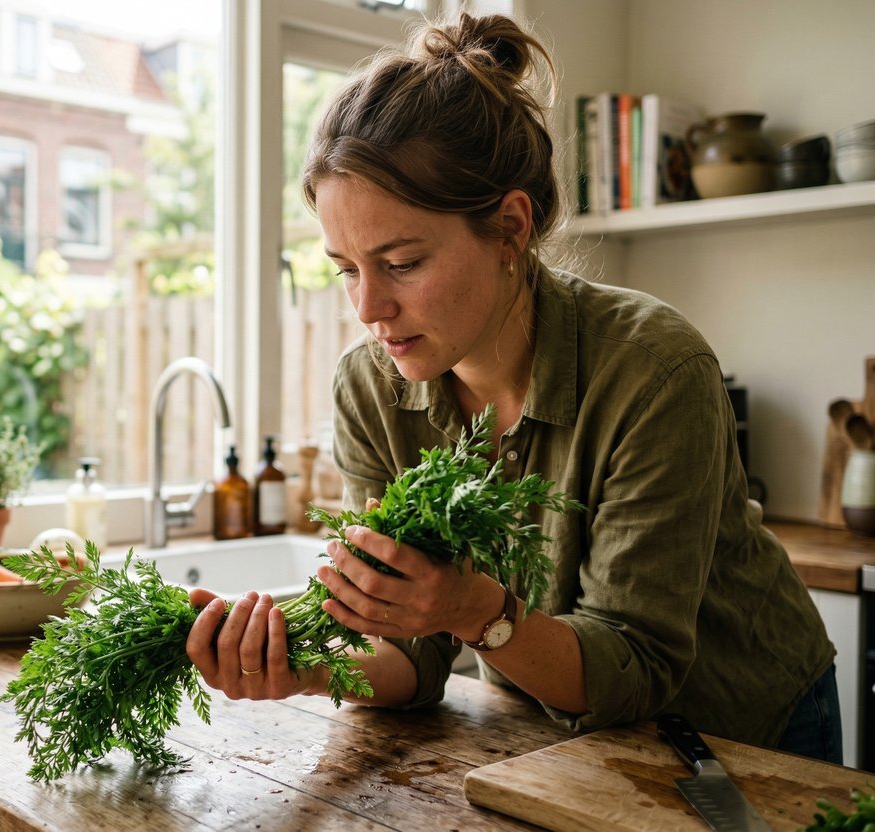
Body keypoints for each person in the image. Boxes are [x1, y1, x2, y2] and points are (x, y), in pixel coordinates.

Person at [184, 12, 841, 761]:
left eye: (400, 263)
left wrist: (475, 611)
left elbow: (638, 670)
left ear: (510, 228)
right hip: (561, 743)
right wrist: (299, 669)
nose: (368, 309)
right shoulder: (371, 389)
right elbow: (412, 656)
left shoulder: (655, 370)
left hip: (744, 728)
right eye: (345, 269)